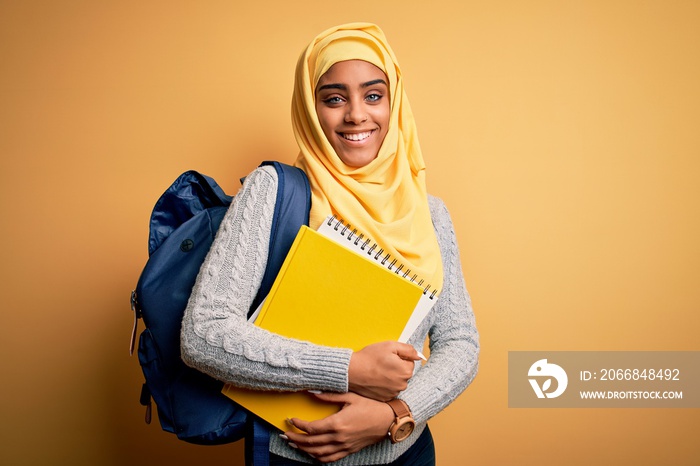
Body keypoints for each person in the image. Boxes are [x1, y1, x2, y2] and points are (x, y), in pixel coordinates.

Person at [181, 22, 479, 465]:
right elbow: (202, 335)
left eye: (374, 95)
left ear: (394, 104)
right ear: (309, 107)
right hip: (294, 454)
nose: (357, 115)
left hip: (407, 451)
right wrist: (348, 369)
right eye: (334, 98)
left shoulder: (429, 211)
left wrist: (394, 414)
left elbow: (460, 343)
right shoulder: (274, 191)